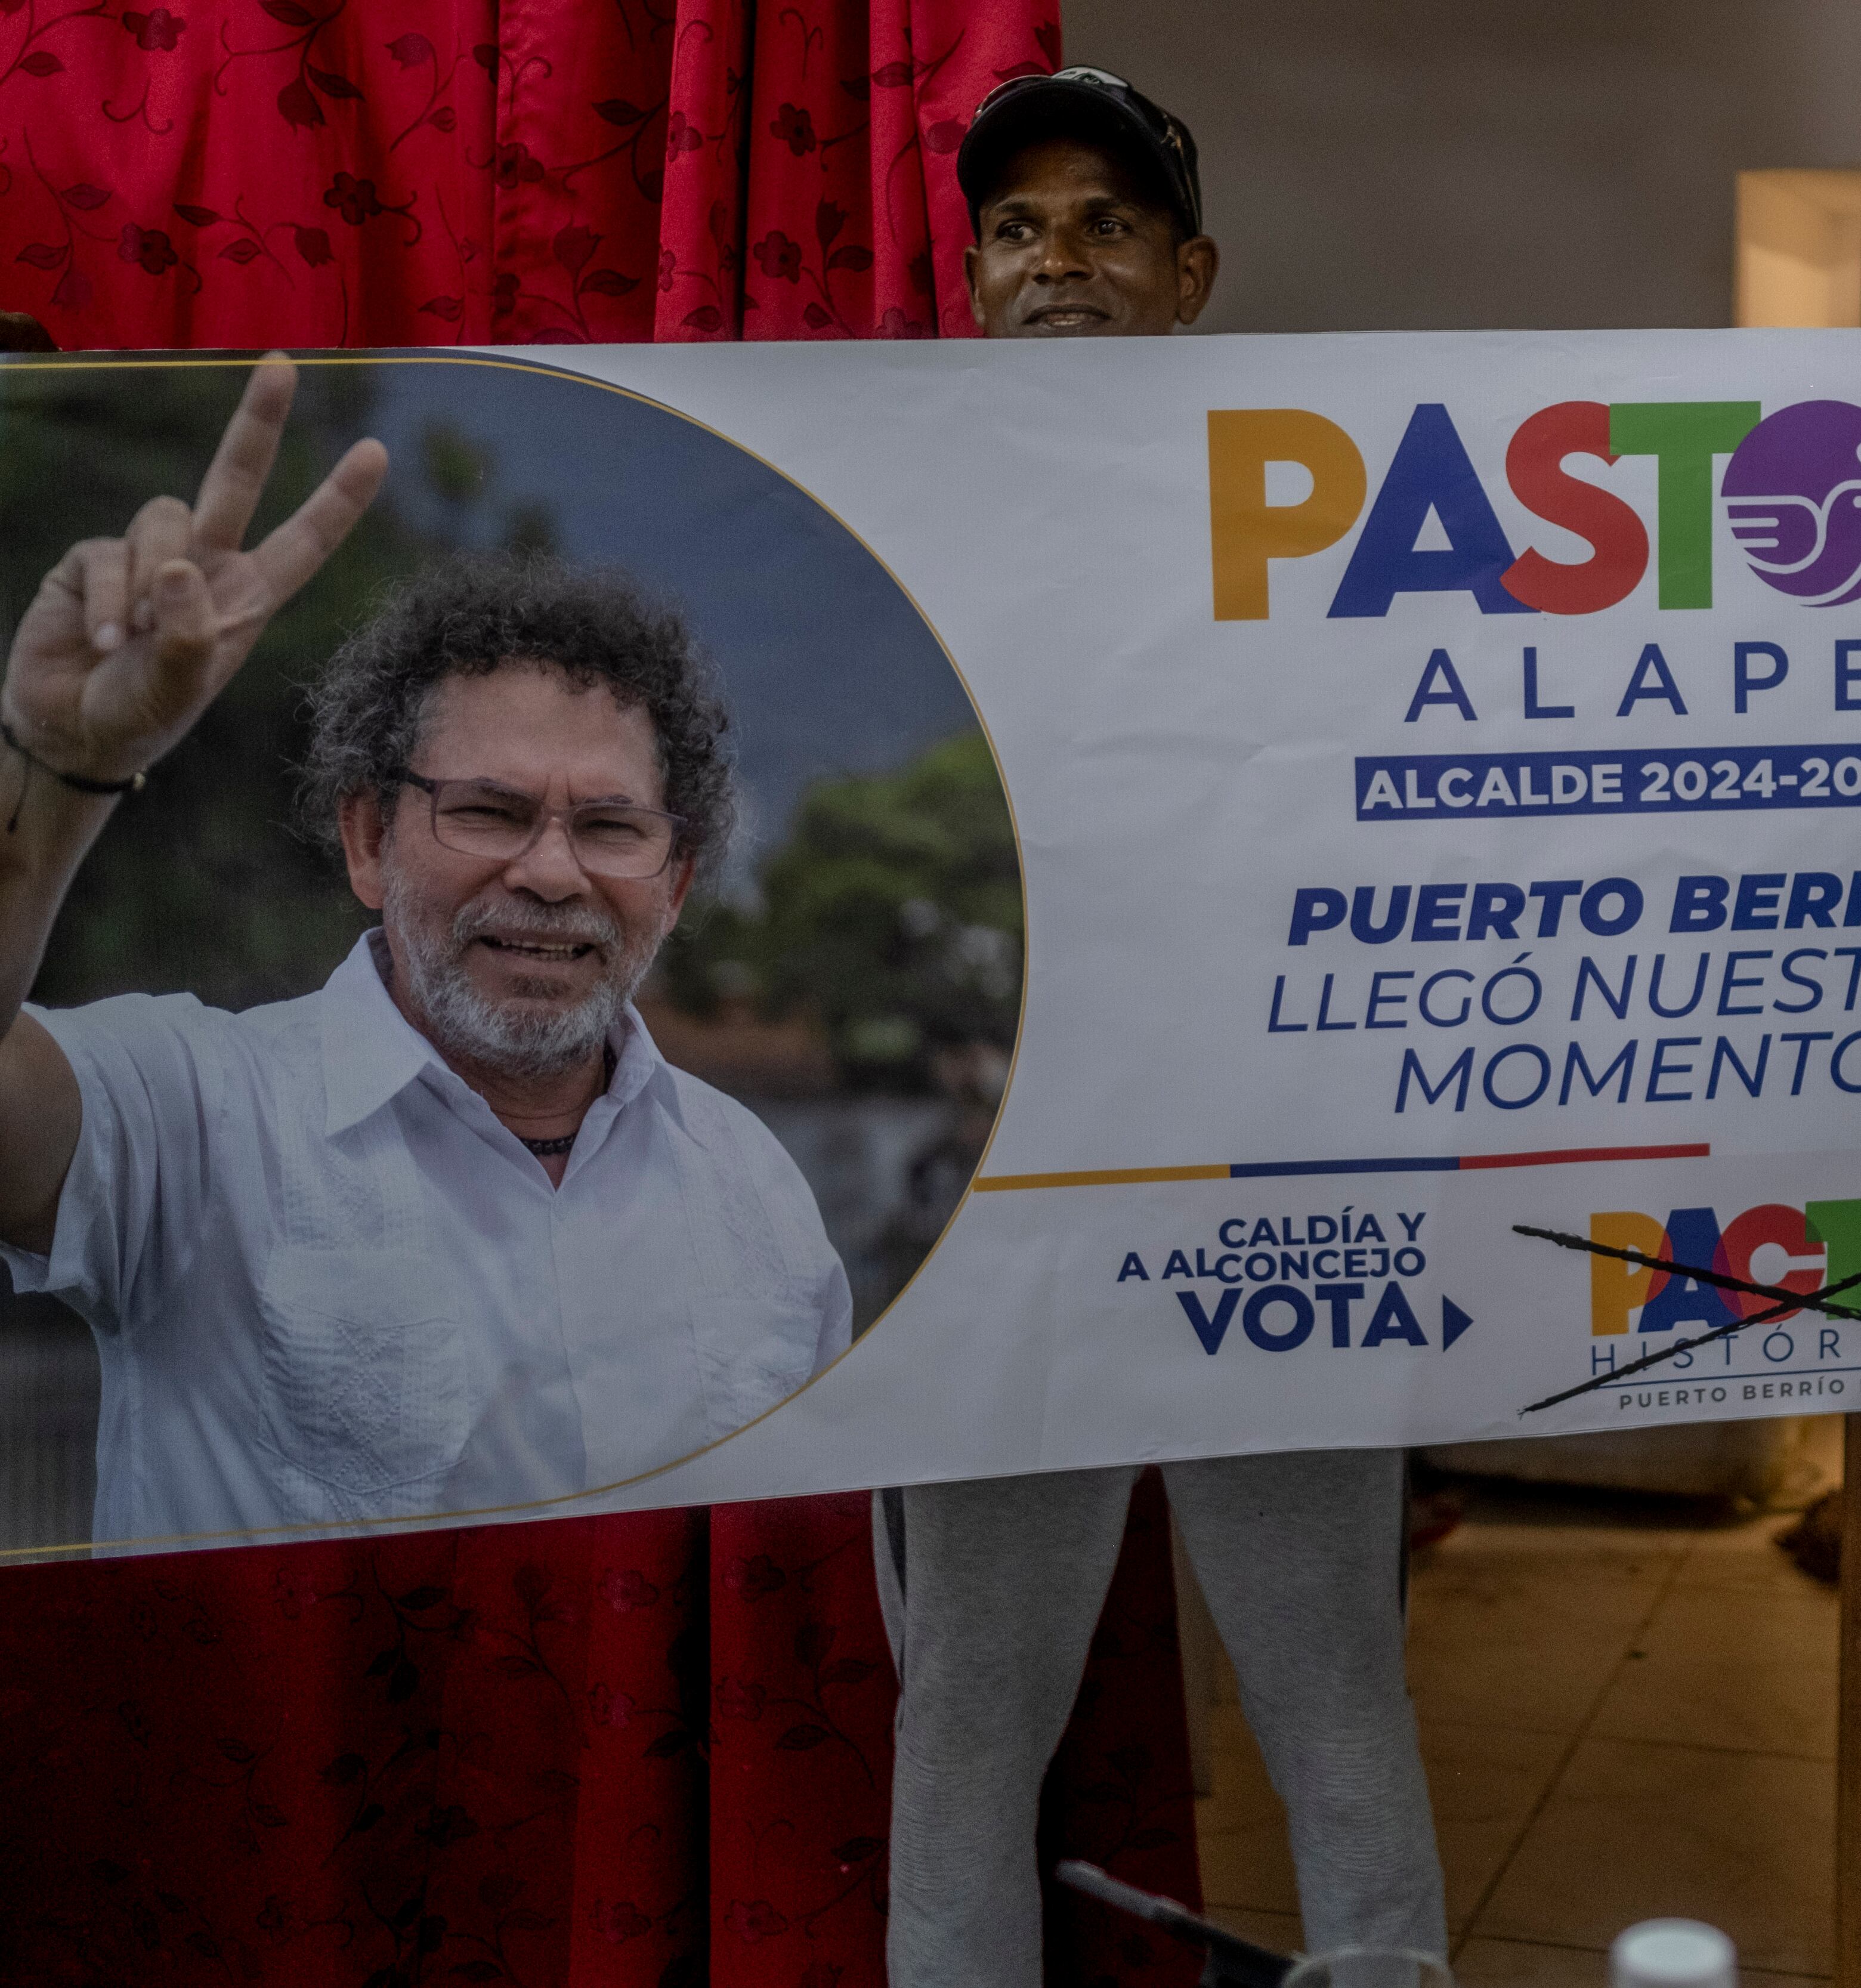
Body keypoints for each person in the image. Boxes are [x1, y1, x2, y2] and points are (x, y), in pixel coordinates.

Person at [879, 66, 1451, 1986]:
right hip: (996, 1195)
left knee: (1331, 1687)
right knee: (970, 1713)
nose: (1062, 259)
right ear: (972, 275)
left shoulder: (1325, 491)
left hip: (1261, 1168)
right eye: (1022, 228)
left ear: (1189, 271)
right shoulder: (881, 489)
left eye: (1108, 223)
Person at [0, 360, 850, 1539]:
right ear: (367, 838)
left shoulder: (759, 1191)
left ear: (678, 880)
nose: (552, 873)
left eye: (609, 827)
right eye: (490, 812)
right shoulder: (194, 1115)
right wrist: (57, 772)